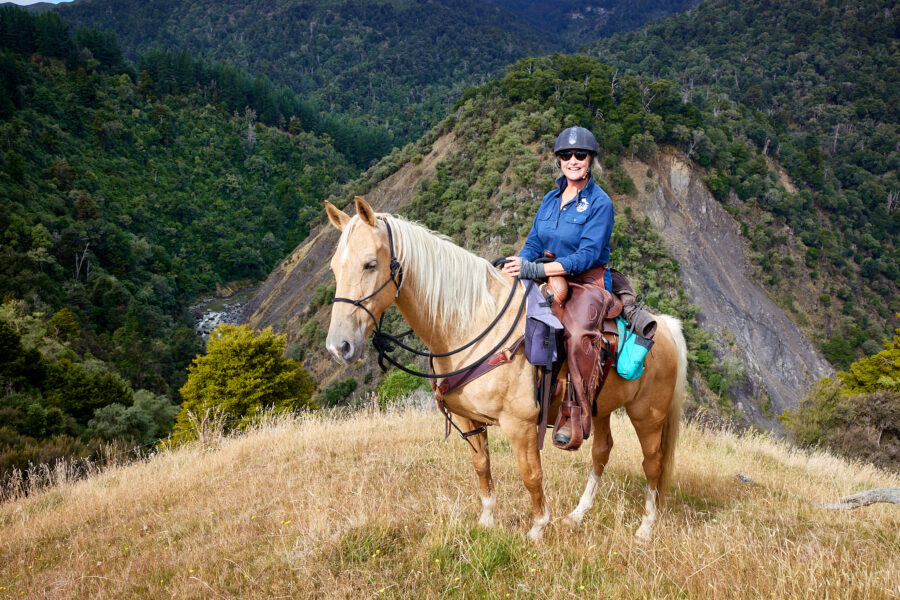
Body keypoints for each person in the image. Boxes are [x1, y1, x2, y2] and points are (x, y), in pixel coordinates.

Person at [501, 125, 613, 290]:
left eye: (580, 155)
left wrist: (535, 269)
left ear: (590, 160)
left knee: (579, 316)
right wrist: (520, 264)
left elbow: (586, 256)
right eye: (566, 155)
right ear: (559, 161)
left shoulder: (600, 203)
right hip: (548, 277)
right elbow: (534, 243)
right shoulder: (550, 199)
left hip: (586, 283)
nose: (572, 161)